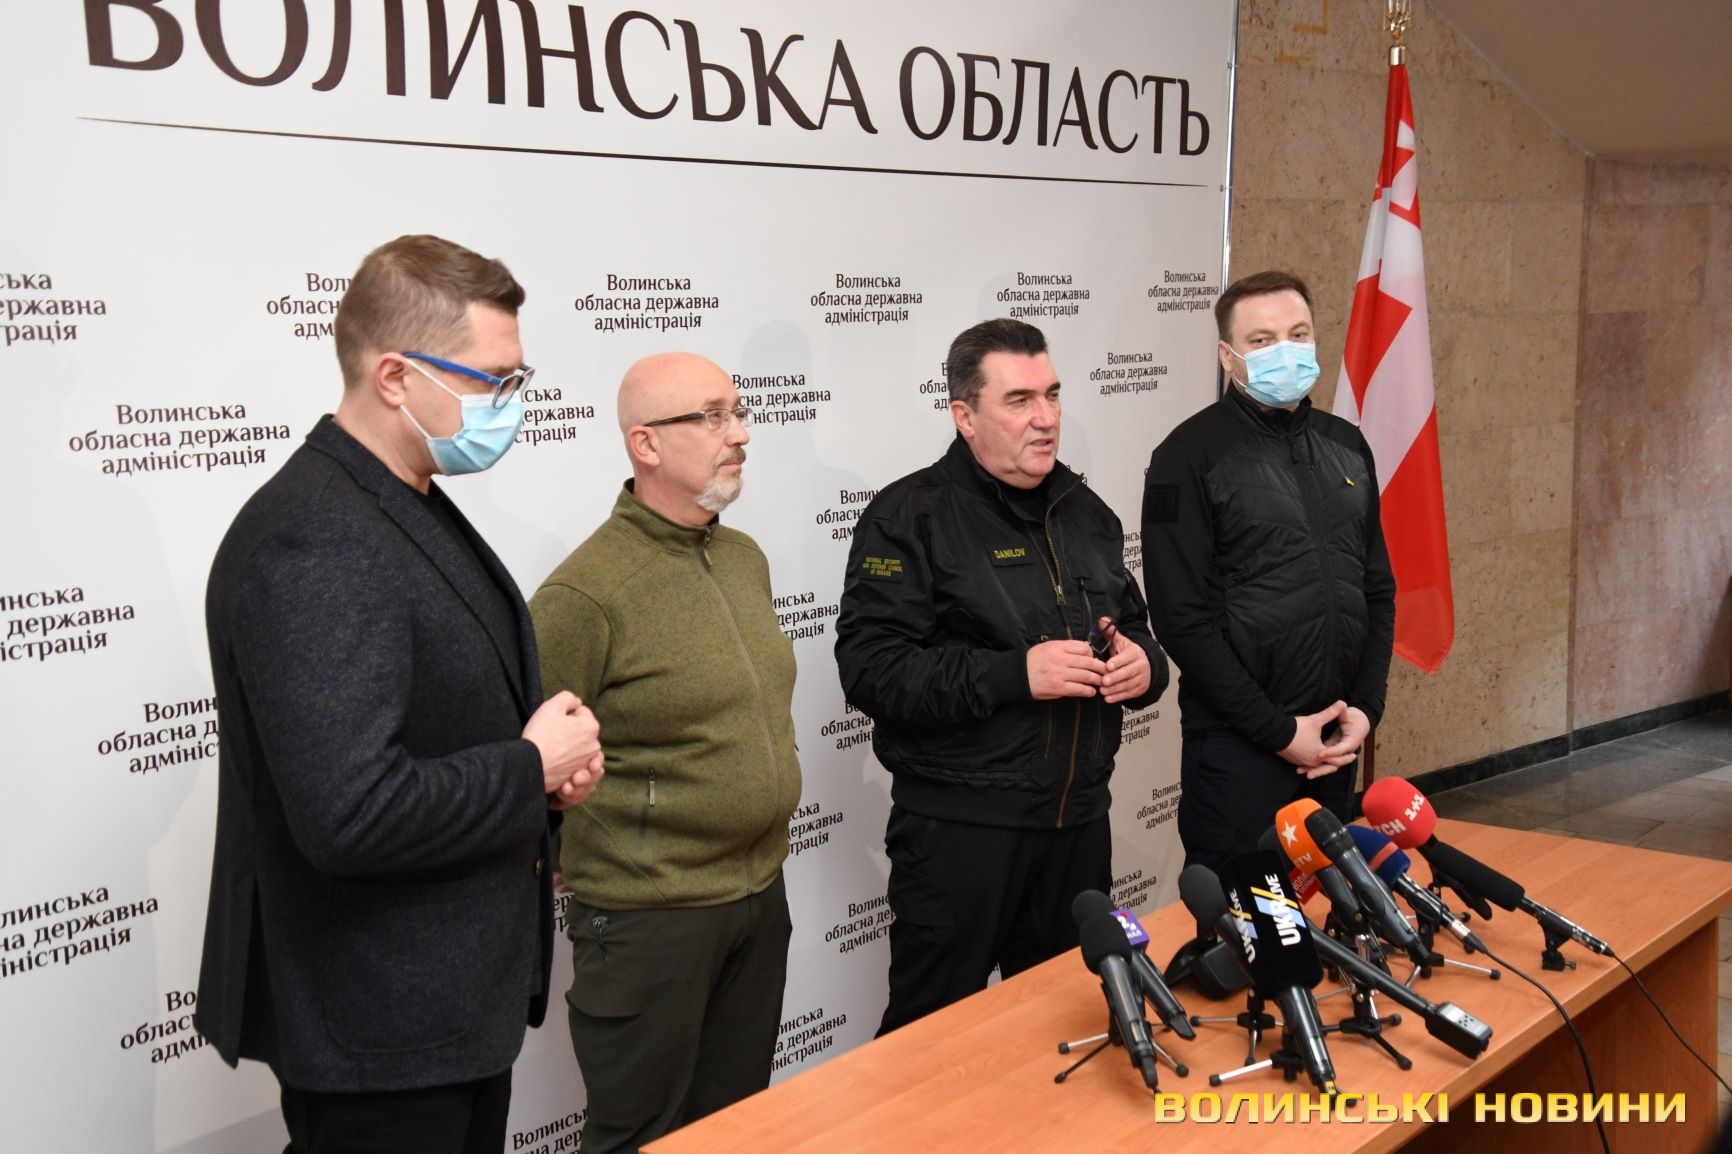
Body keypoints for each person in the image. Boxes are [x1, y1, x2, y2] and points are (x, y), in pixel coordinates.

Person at [194, 234, 605, 1154]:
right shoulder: (315, 537)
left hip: (443, 1014)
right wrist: (527, 768)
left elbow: (432, 732)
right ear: (393, 376)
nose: (511, 405)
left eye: (518, 379)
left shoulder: (398, 498)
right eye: (492, 381)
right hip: (380, 1032)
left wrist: (541, 786)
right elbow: (351, 814)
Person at [834, 317, 1168, 1036]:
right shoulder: (907, 516)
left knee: (1073, 1033)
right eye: (1019, 400)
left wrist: (1145, 665)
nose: (1046, 418)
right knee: (932, 1046)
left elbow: (1136, 628)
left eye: (1052, 395)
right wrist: (1015, 674)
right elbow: (872, 671)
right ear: (965, 416)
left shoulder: (1087, 513)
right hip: (960, 837)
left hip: (1079, 827)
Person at [529, 353, 802, 1154]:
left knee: (737, 1129)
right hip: (649, 919)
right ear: (644, 444)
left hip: (760, 896)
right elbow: (526, 763)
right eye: (712, 417)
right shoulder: (584, 595)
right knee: (639, 1136)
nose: (739, 434)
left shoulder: (743, 557)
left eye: (739, 412)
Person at [1140, 269, 1396, 878]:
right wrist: (1279, 731)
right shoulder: (1186, 457)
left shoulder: (1347, 444)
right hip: (1240, 753)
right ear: (1227, 356)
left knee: (1331, 912)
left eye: (1298, 334)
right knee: (1251, 921)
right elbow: (1181, 620)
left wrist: (1364, 710)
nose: (1285, 350)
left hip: (1333, 743)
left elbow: (1377, 589)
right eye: (1262, 340)